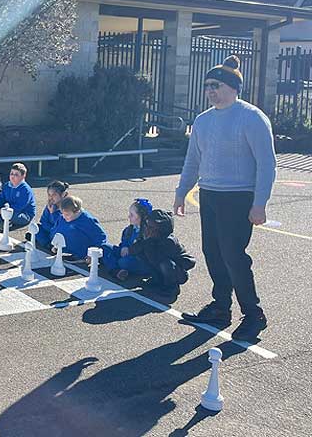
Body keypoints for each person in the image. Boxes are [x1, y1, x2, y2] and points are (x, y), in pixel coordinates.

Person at [174, 55, 276, 341]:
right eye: (207, 85)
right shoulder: (203, 121)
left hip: (239, 197)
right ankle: (220, 307)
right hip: (210, 195)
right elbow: (193, 161)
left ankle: (254, 315)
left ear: (233, 87)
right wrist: (181, 193)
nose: (210, 90)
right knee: (213, 252)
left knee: (233, 255)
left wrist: (260, 203)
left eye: (215, 85)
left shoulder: (252, 117)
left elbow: (267, 164)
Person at [128, 209, 196, 294]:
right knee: (141, 255)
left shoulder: (168, 241)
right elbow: (132, 250)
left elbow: (158, 259)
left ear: (162, 229)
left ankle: (171, 287)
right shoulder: (148, 236)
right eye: (147, 226)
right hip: (159, 265)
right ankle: (157, 280)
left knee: (165, 263)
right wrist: (144, 241)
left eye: (152, 227)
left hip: (177, 273)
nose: (148, 229)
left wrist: (148, 242)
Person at [101, 198, 153, 281]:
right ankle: (116, 270)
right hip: (126, 255)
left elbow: (145, 251)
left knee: (123, 262)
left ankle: (114, 266)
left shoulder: (148, 233)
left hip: (139, 260)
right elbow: (124, 242)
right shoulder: (129, 229)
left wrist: (130, 250)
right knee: (104, 247)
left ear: (142, 217)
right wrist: (124, 247)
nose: (129, 216)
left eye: (132, 215)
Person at [50, 196, 107, 260]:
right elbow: (55, 230)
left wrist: (92, 254)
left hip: (81, 256)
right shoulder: (63, 218)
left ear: (76, 211)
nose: (64, 217)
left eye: (67, 215)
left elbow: (100, 237)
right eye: (62, 213)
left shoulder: (87, 221)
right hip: (64, 253)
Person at [0, 163, 36, 231]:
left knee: (11, 215)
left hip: (23, 213)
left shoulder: (25, 190)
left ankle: (5, 222)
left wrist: (1, 211)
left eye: (16, 175)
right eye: (11, 174)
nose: (13, 176)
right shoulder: (7, 185)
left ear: (23, 176)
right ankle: (1, 223)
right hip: (8, 209)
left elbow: (19, 206)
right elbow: (1, 198)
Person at [35, 180, 70, 248]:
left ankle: (50, 244)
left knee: (60, 235)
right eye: (49, 195)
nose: (51, 197)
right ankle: (48, 244)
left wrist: (53, 213)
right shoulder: (50, 205)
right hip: (50, 230)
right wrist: (50, 229)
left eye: (54, 195)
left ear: (63, 194)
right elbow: (43, 221)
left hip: (60, 233)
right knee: (37, 228)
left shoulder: (67, 207)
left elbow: (61, 226)